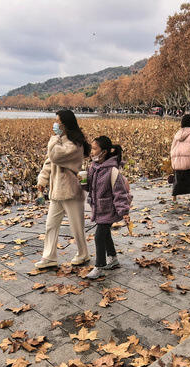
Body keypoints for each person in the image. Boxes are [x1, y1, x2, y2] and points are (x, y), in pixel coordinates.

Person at [34, 110, 91, 270]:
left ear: (65, 124)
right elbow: (49, 162)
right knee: (50, 225)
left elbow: (55, 156)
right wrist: (42, 180)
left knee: (77, 226)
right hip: (57, 192)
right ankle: (49, 257)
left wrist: (54, 138)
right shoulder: (60, 142)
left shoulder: (75, 145)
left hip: (71, 191)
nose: (55, 124)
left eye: (58, 121)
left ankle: (83, 253)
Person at [83, 136, 132, 280]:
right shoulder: (93, 167)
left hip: (109, 209)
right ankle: (113, 258)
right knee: (105, 235)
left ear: (104, 152)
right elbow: (89, 187)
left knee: (99, 236)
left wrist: (124, 212)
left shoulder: (112, 171)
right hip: (98, 208)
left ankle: (99, 266)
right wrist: (82, 182)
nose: (92, 152)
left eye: (94, 149)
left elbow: (120, 193)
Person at [170, 114, 190, 202]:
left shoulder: (178, 133)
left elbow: (173, 147)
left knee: (177, 180)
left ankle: (174, 199)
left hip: (177, 160)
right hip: (189, 160)